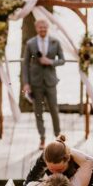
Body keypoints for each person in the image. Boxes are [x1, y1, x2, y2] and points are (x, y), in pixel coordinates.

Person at [22, 19, 66, 149]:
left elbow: (62, 60)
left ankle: (58, 137)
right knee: (38, 111)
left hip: (50, 81)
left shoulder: (55, 42)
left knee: (54, 109)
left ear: (48, 27)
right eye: (40, 27)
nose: (42, 29)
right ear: (36, 28)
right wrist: (26, 83)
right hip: (36, 82)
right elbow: (25, 64)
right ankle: (42, 138)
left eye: (44, 27)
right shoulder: (30, 43)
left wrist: (50, 62)